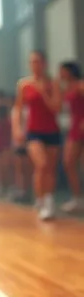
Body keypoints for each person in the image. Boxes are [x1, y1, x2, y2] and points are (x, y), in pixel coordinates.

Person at [12, 51, 60, 221]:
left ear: (44, 63)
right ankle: (42, 200)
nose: (34, 64)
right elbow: (18, 108)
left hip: (52, 130)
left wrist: (43, 92)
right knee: (42, 164)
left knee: (50, 168)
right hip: (34, 132)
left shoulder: (52, 83)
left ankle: (48, 200)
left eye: (38, 61)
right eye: (32, 61)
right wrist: (17, 128)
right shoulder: (24, 85)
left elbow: (56, 108)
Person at [56, 61, 84, 212]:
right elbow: (60, 107)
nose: (59, 73)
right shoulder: (66, 89)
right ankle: (77, 198)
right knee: (68, 163)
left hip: (81, 125)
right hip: (74, 127)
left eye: (62, 71)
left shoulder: (80, 85)